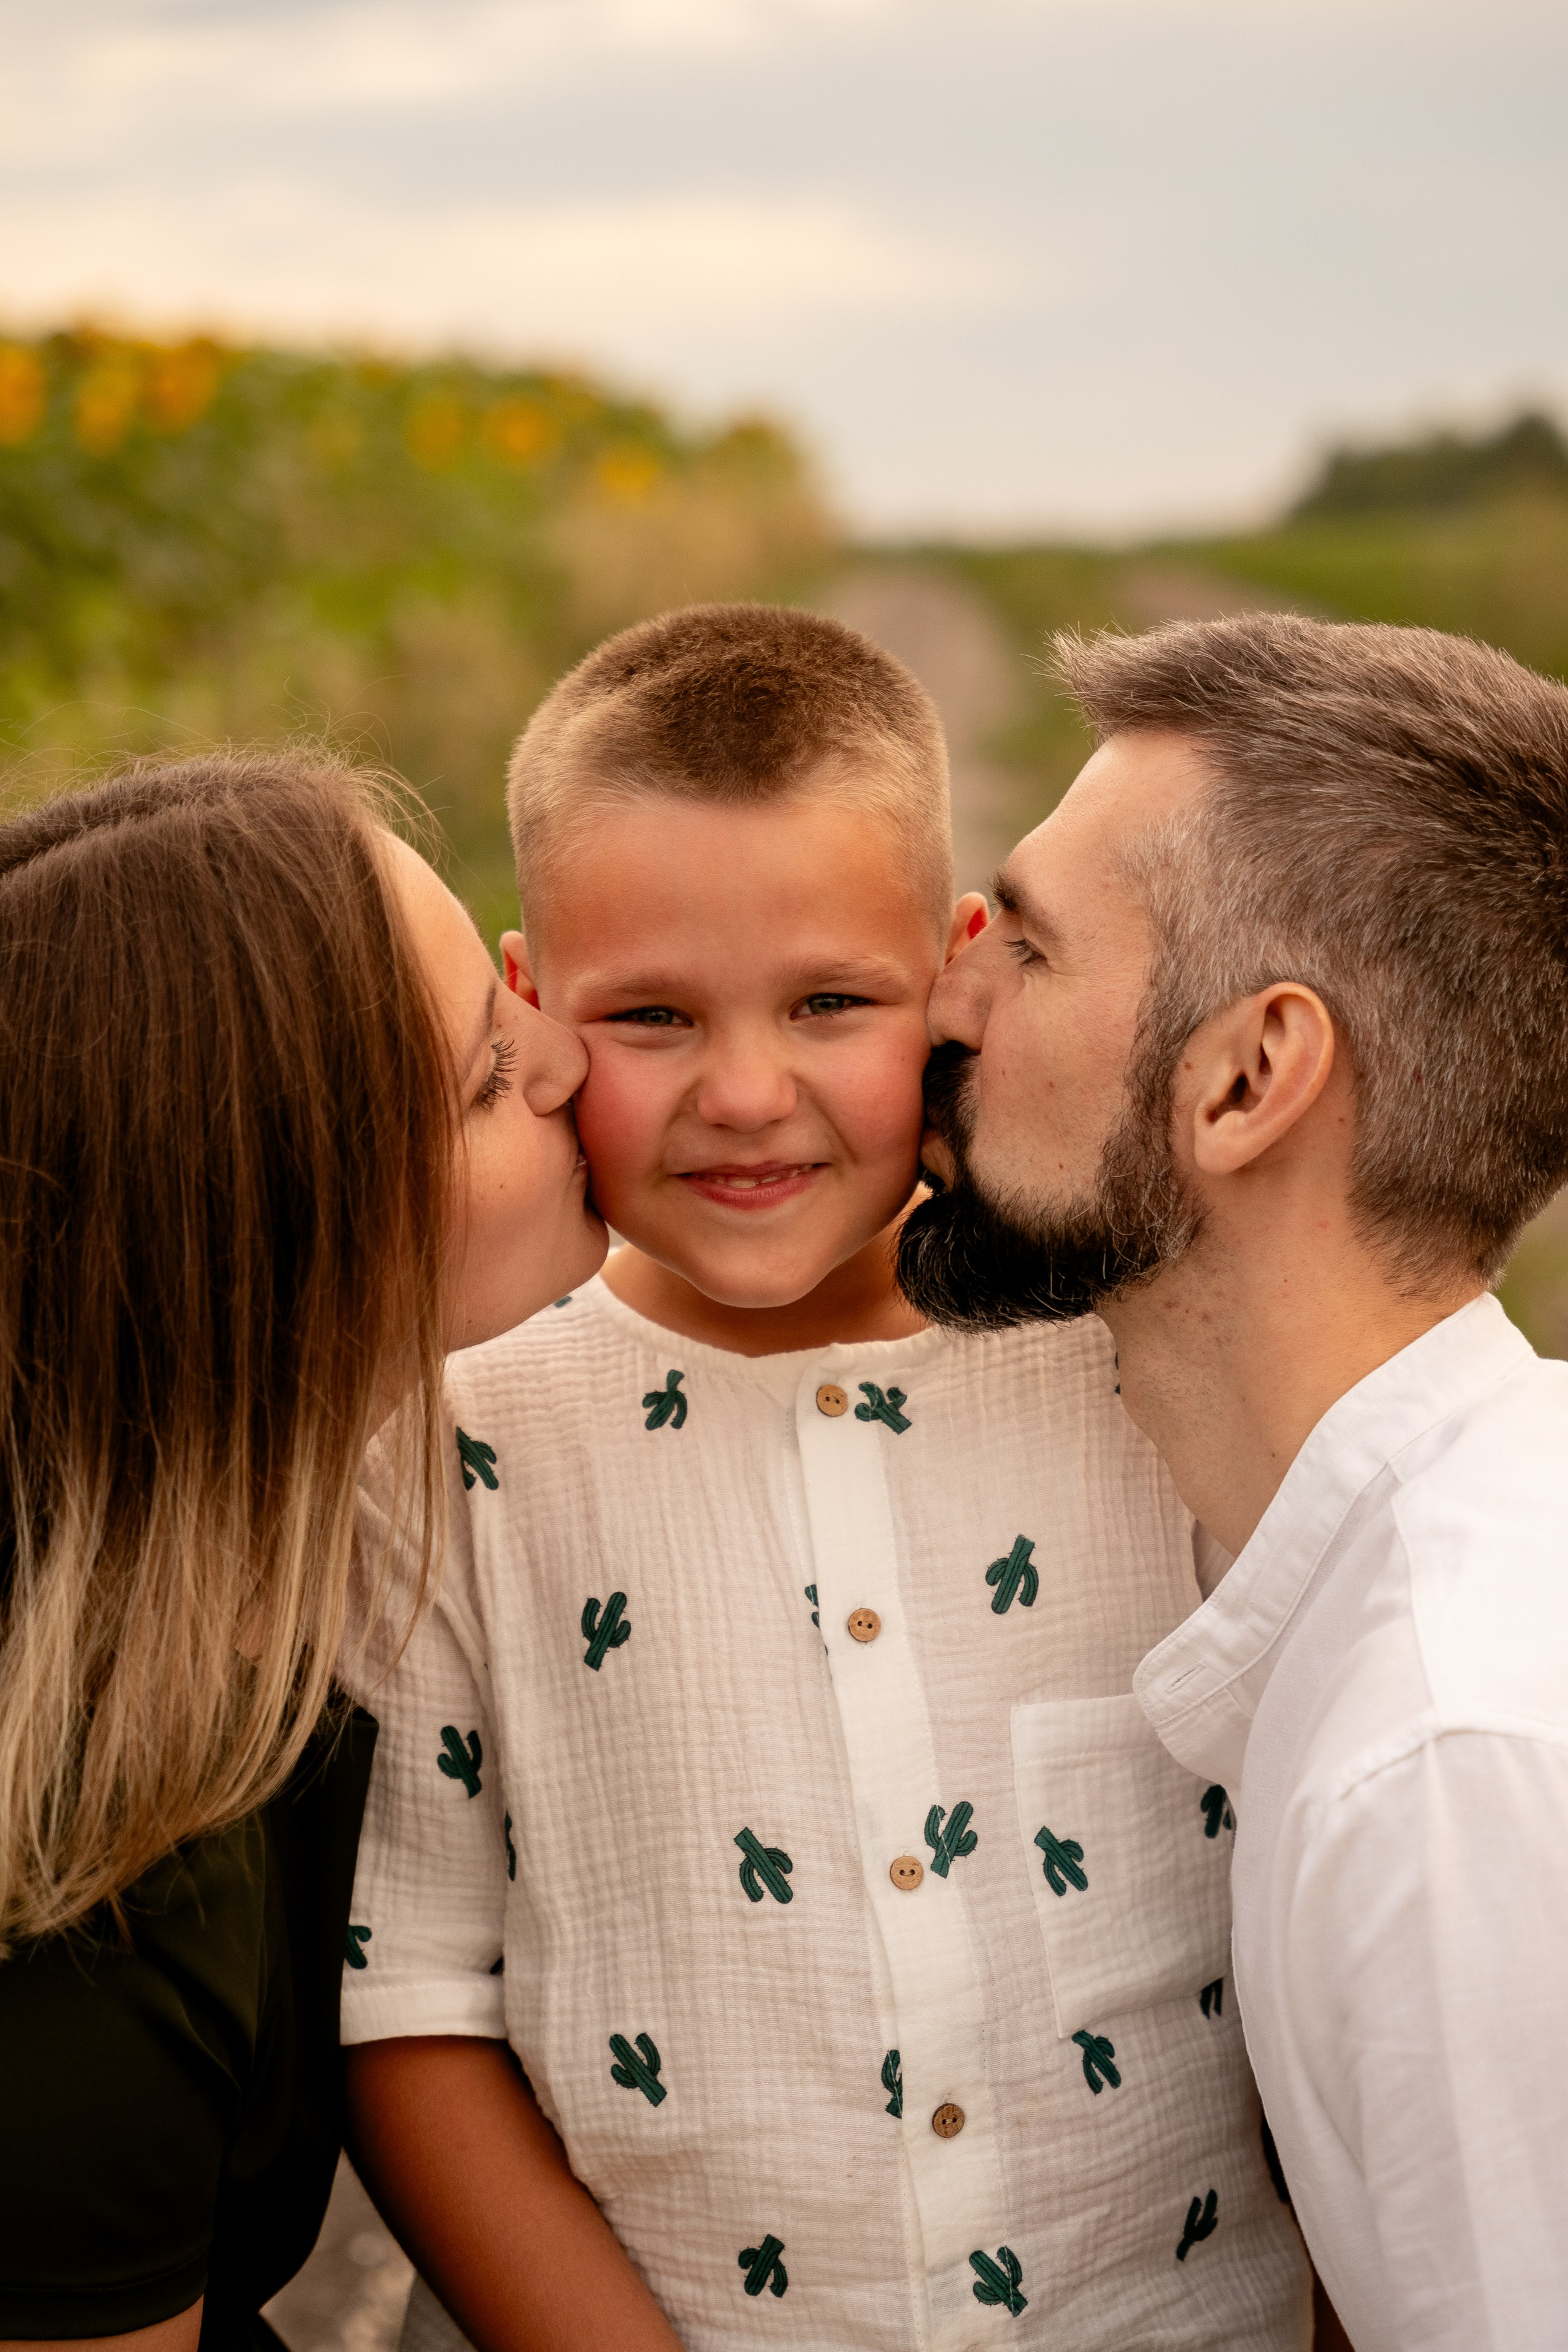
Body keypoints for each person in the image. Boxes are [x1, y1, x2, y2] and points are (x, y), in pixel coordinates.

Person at [341, 603, 1311, 2351]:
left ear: (949, 970)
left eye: (829, 1003)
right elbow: (412, 1996)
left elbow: (1323, 1894)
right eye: (649, 1018)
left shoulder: (1139, 1365)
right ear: (529, 1001)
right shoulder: (455, 1440)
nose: (744, 1092)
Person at [898, 611, 1568, 2351]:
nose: (942, 997)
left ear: (1249, 1078)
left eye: (1028, 953)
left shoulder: (1448, 1768)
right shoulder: (1442, 1609)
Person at [0, 751, 624, 2352]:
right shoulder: (93, 1897)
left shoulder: (291, 1551)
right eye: (488, 1077)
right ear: (294, 1241)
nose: (570, 1053)